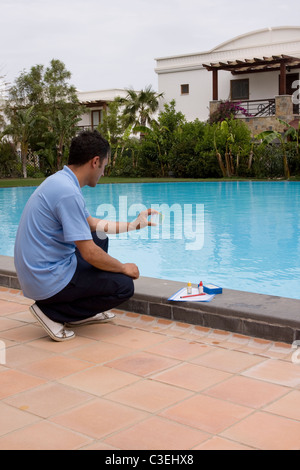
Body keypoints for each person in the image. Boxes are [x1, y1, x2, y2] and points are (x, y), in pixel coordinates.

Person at [14, 130, 156, 342]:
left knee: (99, 237)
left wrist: (134, 225)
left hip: (39, 273)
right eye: (104, 166)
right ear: (95, 161)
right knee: (124, 286)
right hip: (45, 279)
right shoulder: (67, 192)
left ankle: (77, 313)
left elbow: (91, 224)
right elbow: (89, 253)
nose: (103, 172)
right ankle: (52, 313)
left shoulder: (61, 181)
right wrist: (123, 267)